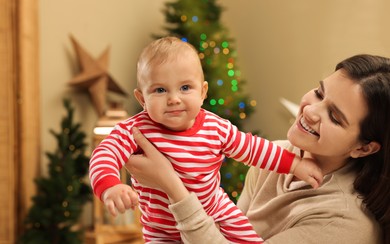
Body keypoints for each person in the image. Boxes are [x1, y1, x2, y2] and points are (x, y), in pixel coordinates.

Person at [127, 54, 390, 244]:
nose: (310, 111)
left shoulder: (343, 225)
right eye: (319, 93)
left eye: (334, 116)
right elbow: (227, 233)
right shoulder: (276, 156)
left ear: (364, 148)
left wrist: (173, 187)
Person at [89, 36, 323, 243]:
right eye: (160, 90)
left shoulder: (216, 128)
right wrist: (110, 186)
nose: (173, 99)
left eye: (185, 88)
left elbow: (254, 149)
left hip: (216, 213)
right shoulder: (136, 130)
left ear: (202, 92)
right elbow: (104, 153)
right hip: (161, 231)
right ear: (142, 99)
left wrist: (295, 164)